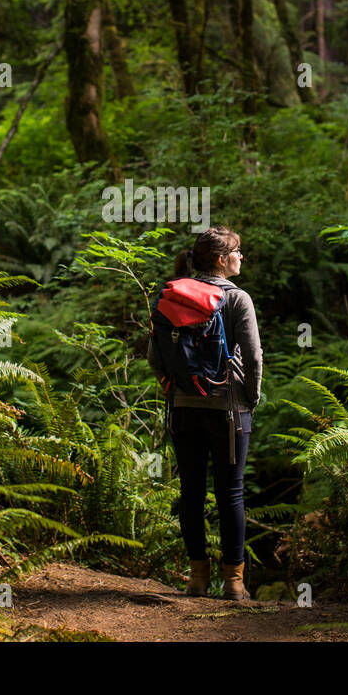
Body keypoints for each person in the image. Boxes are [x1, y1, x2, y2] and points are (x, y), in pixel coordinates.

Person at [147, 226, 262, 601]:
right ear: (220, 259)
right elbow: (254, 356)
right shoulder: (238, 299)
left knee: (191, 492)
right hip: (228, 410)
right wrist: (251, 397)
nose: (241, 257)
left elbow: (154, 356)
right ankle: (234, 583)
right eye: (237, 251)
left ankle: (197, 580)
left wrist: (178, 385)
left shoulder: (174, 295)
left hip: (183, 408)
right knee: (230, 493)